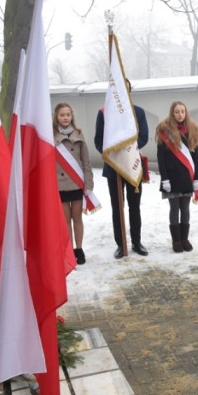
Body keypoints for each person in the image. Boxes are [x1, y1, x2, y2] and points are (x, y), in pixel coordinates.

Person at [94, 79, 149, 259]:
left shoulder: (138, 112)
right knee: (117, 207)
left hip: (133, 165)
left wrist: (128, 152)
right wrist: (116, 154)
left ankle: (136, 241)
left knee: (135, 207)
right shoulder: (104, 114)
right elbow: (99, 141)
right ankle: (121, 244)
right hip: (114, 168)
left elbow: (144, 137)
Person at [155, 101, 198, 252]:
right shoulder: (164, 131)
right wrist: (165, 179)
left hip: (187, 176)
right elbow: (161, 158)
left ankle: (185, 239)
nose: (180, 114)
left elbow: (196, 157)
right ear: (172, 113)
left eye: (183, 111)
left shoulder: (192, 130)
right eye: (177, 112)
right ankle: (176, 241)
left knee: (186, 208)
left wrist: (197, 178)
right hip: (172, 177)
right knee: (174, 208)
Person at [53, 102, 94, 265]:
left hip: (77, 183)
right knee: (65, 219)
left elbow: (86, 160)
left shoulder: (79, 133)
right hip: (60, 184)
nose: (65, 118)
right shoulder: (50, 134)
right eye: (62, 115)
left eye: (68, 115)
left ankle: (79, 248)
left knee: (77, 218)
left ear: (72, 116)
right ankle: (69, 250)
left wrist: (89, 182)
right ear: (56, 116)